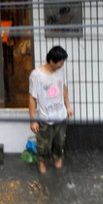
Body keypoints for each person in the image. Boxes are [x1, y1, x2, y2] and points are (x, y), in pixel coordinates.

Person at [29, 45, 74, 174]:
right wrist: (33, 120)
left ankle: (58, 167)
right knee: (44, 147)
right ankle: (42, 170)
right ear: (51, 61)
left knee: (59, 145)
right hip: (44, 118)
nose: (62, 65)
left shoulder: (60, 71)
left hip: (61, 116)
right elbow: (32, 98)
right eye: (60, 62)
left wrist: (68, 106)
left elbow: (64, 88)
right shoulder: (36, 75)